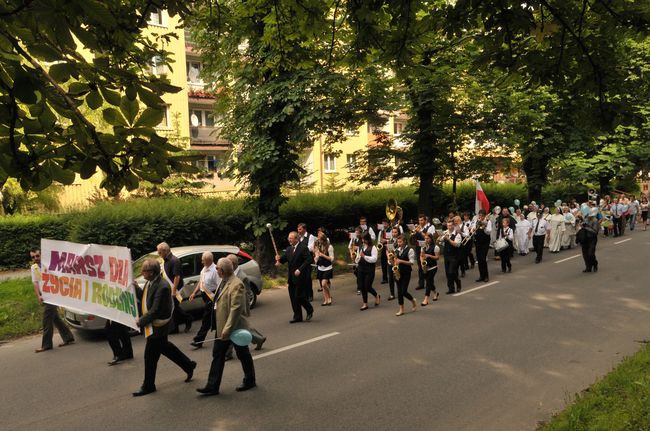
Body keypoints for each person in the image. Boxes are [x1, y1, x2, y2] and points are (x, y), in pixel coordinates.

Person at [133, 259, 196, 397]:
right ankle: (189, 365)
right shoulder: (151, 282)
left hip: (158, 327)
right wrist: (136, 287)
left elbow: (155, 310)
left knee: (149, 356)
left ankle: (148, 386)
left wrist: (140, 322)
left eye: (144, 270)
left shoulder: (162, 286)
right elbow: (144, 298)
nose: (142, 272)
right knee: (166, 348)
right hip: (155, 327)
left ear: (151, 272)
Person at [197, 258, 256, 396]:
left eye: (217, 268)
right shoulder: (223, 281)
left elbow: (235, 309)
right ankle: (212, 386)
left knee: (243, 354)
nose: (215, 270)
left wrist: (227, 330)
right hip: (222, 326)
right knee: (218, 354)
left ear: (222, 271)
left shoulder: (236, 284)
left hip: (233, 328)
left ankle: (250, 380)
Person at [30, 248, 75, 353]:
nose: (35, 258)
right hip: (44, 296)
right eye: (33, 257)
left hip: (53, 295)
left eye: (37, 255)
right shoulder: (34, 267)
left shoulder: (50, 264)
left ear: (41, 255)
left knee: (46, 320)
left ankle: (46, 345)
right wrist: (38, 296)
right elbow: (35, 282)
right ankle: (68, 337)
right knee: (55, 318)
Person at [276, 232, 314, 323]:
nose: (289, 240)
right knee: (293, 297)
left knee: (299, 296)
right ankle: (297, 316)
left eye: (291, 238)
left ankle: (309, 309)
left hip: (301, 277)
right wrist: (278, 259)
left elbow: (309, 260)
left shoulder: (303, 248)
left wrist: (300, 269)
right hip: (291, 277)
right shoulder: (289, 249)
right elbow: (283, 260)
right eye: (289, 238)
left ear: (296, 238)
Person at [157, 242, 192, 334]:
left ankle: (188, 319)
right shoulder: (165, 260)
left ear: (165, 251)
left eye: (159, 252)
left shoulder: (174, 260)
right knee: (173, 309)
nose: (158, 254)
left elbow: (177, 276)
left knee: (174, 308)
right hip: (169, 288)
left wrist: (173, 290)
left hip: (176, 289)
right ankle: (175, 328)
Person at [189, 252, 221, 349]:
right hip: (205, 297)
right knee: (216, 320)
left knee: (206, 319)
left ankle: (199, 340)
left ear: (208, 260)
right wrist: (194, 293)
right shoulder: (204, 269)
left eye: (203, 260)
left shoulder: (215, 271)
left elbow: (220, 286)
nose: (201, 261)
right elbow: (201, 282)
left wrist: (217, 300)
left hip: (212, 298)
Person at [393, 234, 417, 316]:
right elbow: (394, 261)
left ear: (405, 241)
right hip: (398, 272)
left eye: (400, 242)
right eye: (398, 242)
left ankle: (412, 300)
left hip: (406, 272)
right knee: (399, 292)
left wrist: (401, 261)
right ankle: (401, 309)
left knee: (403, 291)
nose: (398, 243)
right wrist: (391, 260)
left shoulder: (410, 250)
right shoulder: (397, 250)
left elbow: (411, 262)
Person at [356, 233, 380, 311]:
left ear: (368, 239)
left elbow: (374, 259)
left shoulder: (373, 248)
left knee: (367, 286)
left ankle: (376, 296)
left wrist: (364, 256)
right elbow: (357, 257)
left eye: (364, 239)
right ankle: (365, 303)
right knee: (362, 287)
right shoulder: (360, 247)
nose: (363, 241)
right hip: (361, 269)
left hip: (369, 269)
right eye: (362, 239)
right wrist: (357, 259)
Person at [413, 214, 436, 289]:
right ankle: (421, 283)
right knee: (420, 265)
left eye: (422, 220)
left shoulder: (431, 227)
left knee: (428, 264)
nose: (420, 222)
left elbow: (427, 237)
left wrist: (420, 231)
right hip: (418, 247)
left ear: (425, 220)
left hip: (427, 248)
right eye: (419, 220)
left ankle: (430, 282)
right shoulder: (418, 227)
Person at [314, 228, 334, 306]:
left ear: (323, 240)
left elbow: (331, 259)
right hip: (320, 268)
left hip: (327, 267)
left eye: (319, 240)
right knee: (323, 285)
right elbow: (316, 256)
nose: (318, 241)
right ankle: (326, 299)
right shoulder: (318, 246)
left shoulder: (329, 246)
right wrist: (316, 258)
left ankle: (329, 297)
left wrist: (323, 255)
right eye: (318, 240)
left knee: (323, 284)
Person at [441, 221, 462, 294]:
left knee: (451, 272)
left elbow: (457, 245)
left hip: (454, 255)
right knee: (447, 273)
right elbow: (441, 242)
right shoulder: (445, 232)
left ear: (453, 226)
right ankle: (451, 288)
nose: (449, 227)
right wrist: (441, 239)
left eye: (450, 225)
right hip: (446, 255)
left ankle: (458, 282)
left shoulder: (457, 234)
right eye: (448, 226)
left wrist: (448, 239)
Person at [420, 232, 440, 306]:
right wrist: (422, 262)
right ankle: (435, 293)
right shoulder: (423, 247)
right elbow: (421, 255)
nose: (426, 240)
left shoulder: (436, 247)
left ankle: (426, 299)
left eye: (427, 238)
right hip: (425, 267)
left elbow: (437, 258)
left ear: (431, 239)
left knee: (428, 282)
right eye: (425, 238)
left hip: (433, 267)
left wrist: (429, 256)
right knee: (430, 282)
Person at [297, 223, 315, 301]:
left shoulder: (310, 236)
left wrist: (300, 250)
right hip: (300, 260)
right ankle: (304, 294)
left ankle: (310, 295)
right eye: (298, 229)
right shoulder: (298, 237)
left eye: (300, 229)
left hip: (308, 260)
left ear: (304, 229)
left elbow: (311, 248)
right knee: (301, 278)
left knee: (307, 278)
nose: (298, 230)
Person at [386, 225, 400, 301]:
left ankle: (400, 291)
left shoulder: (400, 240)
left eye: (395, 232)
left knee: (397, 277)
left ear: (398, 232)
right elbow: (387, 250)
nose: (394, 233)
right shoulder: (389, 240)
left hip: (396, 261)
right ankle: (392, 294)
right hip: (390, 261)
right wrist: (388, 256)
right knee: (390, 278)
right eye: (393, 232)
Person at [378, 219, 390, 284]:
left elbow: (393, 239)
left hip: (389, 247)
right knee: (383, 263)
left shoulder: (391, 230)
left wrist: (385, 241)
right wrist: (379, 245)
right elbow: (379, 240)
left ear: (388, 224)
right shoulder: (381, 231)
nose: (384, 225)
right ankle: (384, 278)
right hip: (383, 248)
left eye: (385, 223)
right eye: (383, 223)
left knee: (390, 262)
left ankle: (391, 276)